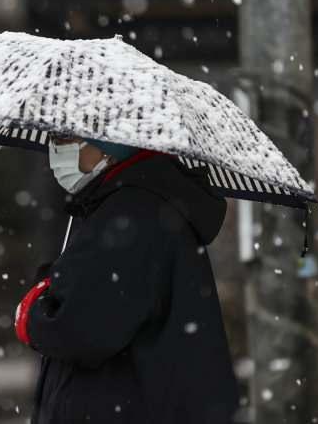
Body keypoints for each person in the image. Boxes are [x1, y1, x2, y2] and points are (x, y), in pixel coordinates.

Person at [14, 136, 240, 424]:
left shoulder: (131, 212)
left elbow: (77, 329)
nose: (56, 150)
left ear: (109, 144)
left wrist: (32, 312)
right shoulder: (134, 204)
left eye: (67, 138)